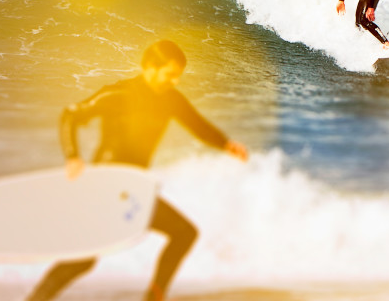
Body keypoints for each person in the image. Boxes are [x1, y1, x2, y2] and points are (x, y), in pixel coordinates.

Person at [24, 40, 248, 301]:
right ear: (151, 67)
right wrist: (73, 157)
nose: (175, 81)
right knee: (82, 260)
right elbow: (70, 116)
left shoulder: (170, 100)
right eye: (170, 74)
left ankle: (154, 296)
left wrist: (225, 144)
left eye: (178, 76)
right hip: (106, 186)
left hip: (132, 189)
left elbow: (196, 124)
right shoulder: (119, 94)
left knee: (183, 234)